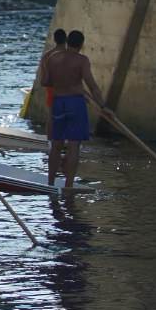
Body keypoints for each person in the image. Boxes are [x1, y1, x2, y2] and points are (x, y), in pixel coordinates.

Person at [39, 29, 102, 191]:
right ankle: (68, 185)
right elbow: (92, 86)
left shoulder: (53, 58)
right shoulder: (82, 60)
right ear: (81, 44)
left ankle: (51, 183)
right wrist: (103, 106)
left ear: (67, 42)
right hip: (75, 103)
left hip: (58, 102)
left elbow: (45, 82)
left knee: (56, 144)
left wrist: (62, 82)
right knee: (74, 145)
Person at [35, 28, 68, 182]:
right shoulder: (70, 56)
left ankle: (50, 142)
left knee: (51, 116)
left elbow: (44, 78)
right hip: (65, 90)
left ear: (55, 40)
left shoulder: (47, 56)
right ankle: (64, 143)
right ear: (65, 40)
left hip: (52, 90)